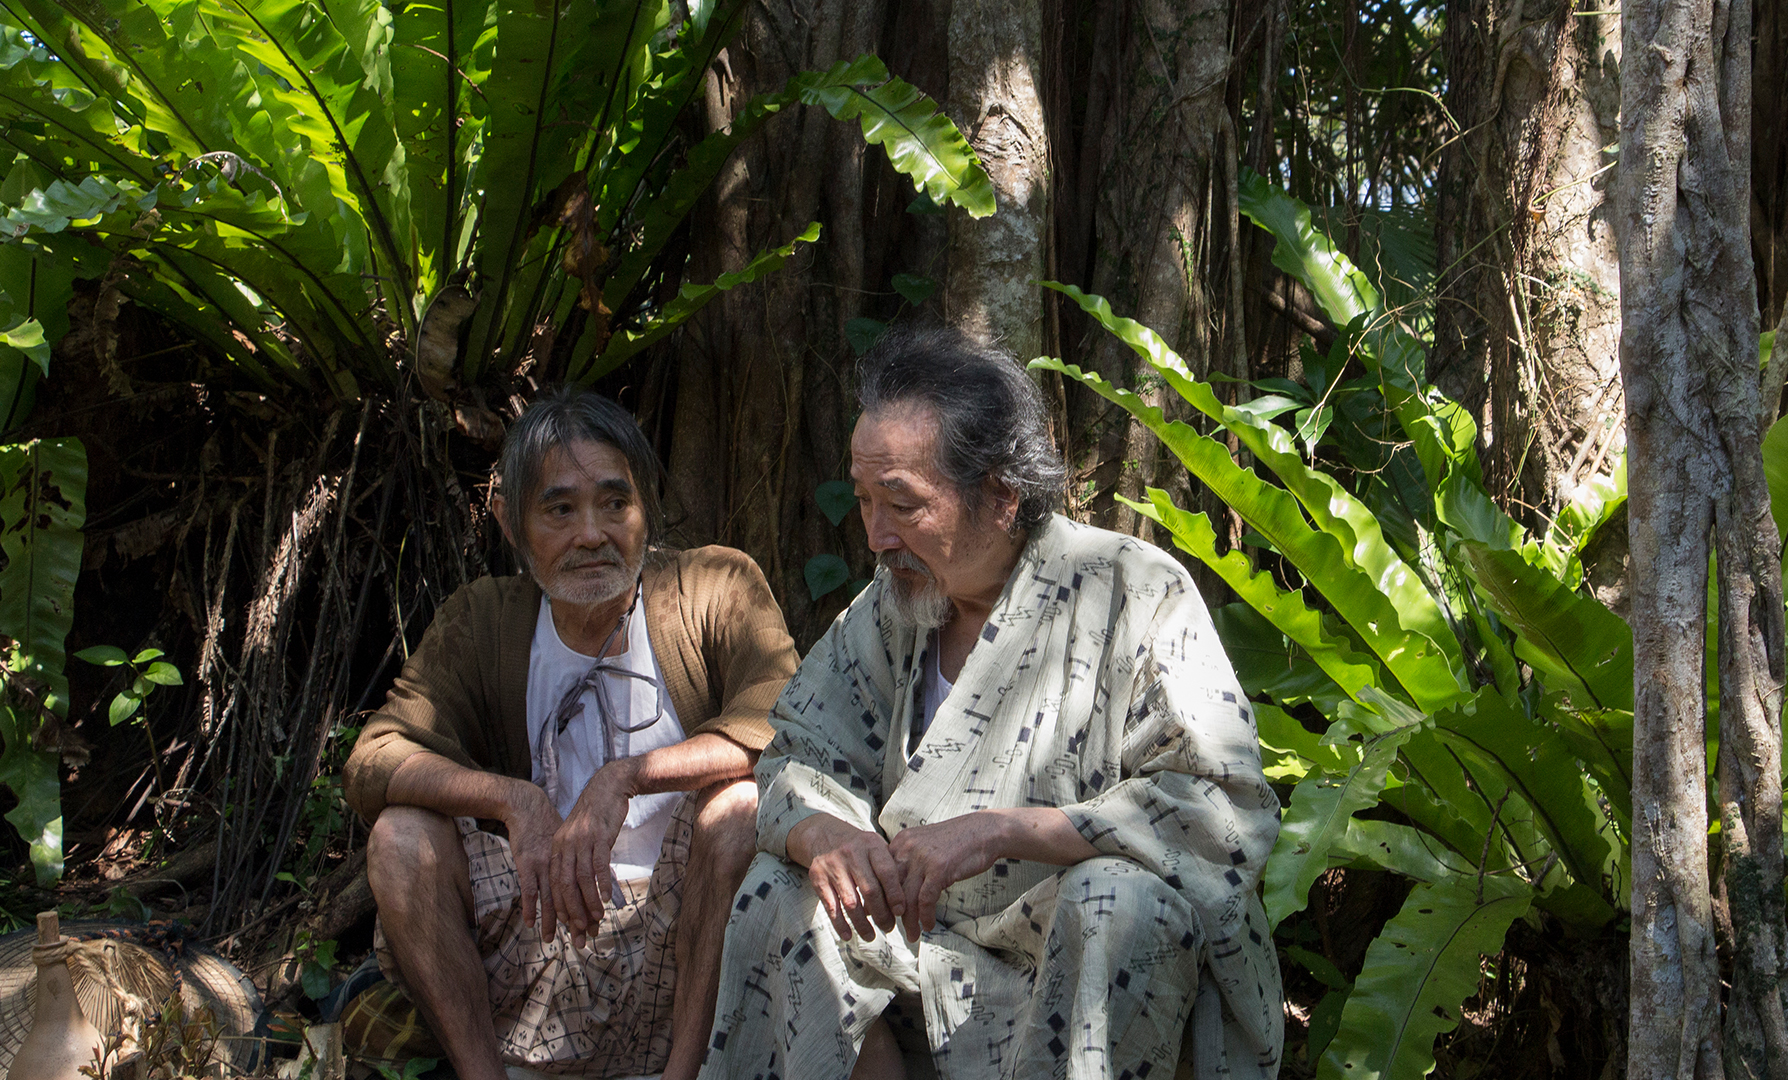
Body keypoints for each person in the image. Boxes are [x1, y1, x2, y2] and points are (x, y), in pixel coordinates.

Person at [700, 329, 1285, 1079]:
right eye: (866, 501)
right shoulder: (894, 605)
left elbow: (1222, 810)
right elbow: (798, 754)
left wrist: (1002, 832)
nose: (876, 536)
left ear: (1002, 497)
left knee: (1120, 901)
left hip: (1072, 970)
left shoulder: (1133, 590)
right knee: (783, 886)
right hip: (918, 960)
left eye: (903, 504)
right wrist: (822, 835)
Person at [342, 387, 799, 1080]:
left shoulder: (716, 586)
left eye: (615, 504)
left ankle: (684, 1073)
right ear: (509, 520)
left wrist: (627, 777)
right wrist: (512, 800)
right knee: (401, 838)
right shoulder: (484, 620)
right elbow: (375, 758)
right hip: (540, 939)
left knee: (740, 809)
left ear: (645, 507)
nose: (592, 534)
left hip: (687, 940)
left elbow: (784, 725)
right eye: (560, 509)